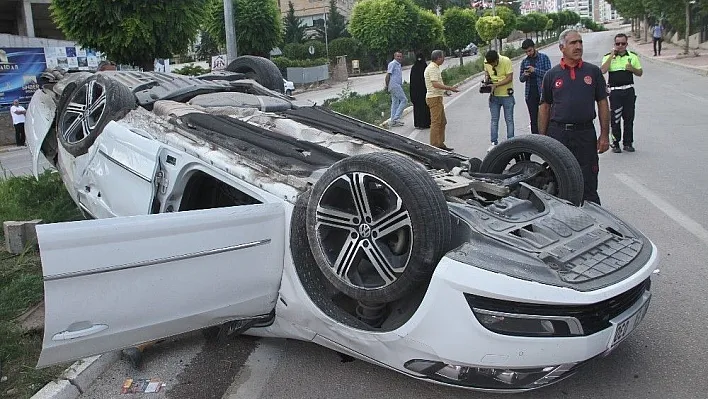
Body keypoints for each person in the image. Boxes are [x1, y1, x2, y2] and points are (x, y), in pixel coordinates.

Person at [539, 29, 610, 205]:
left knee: (589, 183)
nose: (578, 46)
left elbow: (602, 103)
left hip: (585, 134)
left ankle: (596, 223)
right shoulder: (551, 75)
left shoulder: (593, 72)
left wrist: (605, 135)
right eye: (573, 43)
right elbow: (544, 106)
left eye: (580, 42)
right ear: (562, 47)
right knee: (556, 180)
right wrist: (542, 139)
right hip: (559, 134)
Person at [601, 33, 643, 153]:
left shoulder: (632, 57)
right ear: (614, 45)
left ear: (626, 44)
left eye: (623, 43)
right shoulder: (608, 56)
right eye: (617, 44)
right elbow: (603, 70)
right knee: (615, 119)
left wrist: (632, 69)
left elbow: (640, 72)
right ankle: (615, 143)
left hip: (628, 90)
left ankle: (628, 143)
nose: (620, 46)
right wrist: (611, 56)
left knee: (629, 118)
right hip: (615, 92)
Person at [424, 50, 459, 151]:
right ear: (438, 58)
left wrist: (444, 91)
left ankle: (440, 143)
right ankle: (434, 145)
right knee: (436, 122)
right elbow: (435, 84)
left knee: (442, 122)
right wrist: (449, 88)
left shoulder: (435, 67)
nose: (443, 59)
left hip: (437, 97)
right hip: (433, 98)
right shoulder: (432, 68)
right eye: (443, 57)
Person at [519, 39, 552, 135]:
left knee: (545, 118)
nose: (528, 53)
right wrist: (525, 74)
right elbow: (521, 79)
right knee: (533, 120)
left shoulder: (544, 58)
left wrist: (535, 70)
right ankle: (535, 141)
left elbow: (549, 74)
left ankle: (547, 139)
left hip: (542, 92)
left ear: (534, 48)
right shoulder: (524, 62)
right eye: (526, 52)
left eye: (529, 51)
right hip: (530, 94)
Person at [483, 50, 515, 151]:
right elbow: (487, 72)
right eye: (490, 64)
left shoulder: (506, 61)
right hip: (494, 96)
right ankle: (493, 143)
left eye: (493, 63)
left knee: (509, 120)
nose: (492, 65)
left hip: (506, 95)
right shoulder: (486, 61)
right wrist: (487, 81)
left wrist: (495, 85)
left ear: (497, 60)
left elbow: (509, 78)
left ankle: (511, 142)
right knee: (494, 120)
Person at [385, 51, 406, 127]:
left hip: (397, 85)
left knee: (395, 102)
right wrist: (387, 86)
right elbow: (388, 75)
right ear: (394, 57)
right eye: (398, 56)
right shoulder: (392, 64)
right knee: (404, 100)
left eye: (400, 56)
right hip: (394, 85)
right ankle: (396, 118)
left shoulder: (398, 65)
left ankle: (393, 121)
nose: (399, 58)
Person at [409, 53, 431, 129]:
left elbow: (411, 82)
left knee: (419, 107)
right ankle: (425, 123)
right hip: (424, 91)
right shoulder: (425, 67)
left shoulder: (414, 68)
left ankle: (419, 123)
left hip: (416, 92)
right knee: (424, 107)